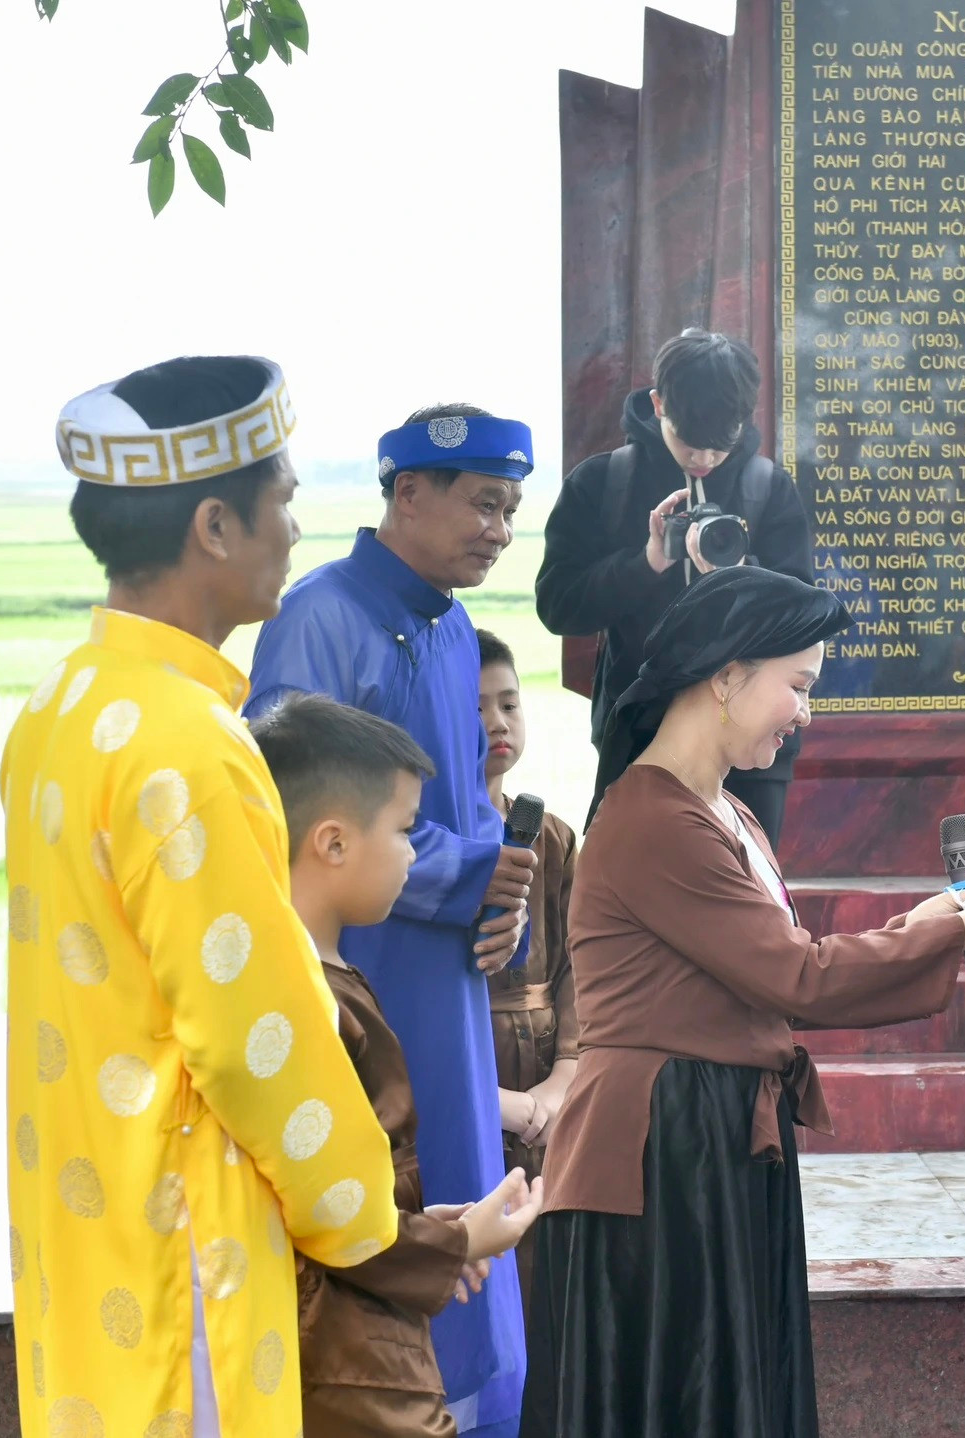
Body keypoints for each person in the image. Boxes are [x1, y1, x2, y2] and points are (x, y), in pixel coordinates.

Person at [520, 566, 965, 1437]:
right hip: (659, 1156)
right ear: (726, 675)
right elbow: (799, 977)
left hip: (709, 1134)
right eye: (800, 686)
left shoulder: (723, 813)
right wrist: (959, 933)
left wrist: (951, 913)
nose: (807, 713)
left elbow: (784, 966)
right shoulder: (651, 818)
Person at [2, 356, 399, 1438]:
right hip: (187, 1254)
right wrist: (366, 1213)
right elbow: (251, 1034)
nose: (296, 531)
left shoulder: (59, 707)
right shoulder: (187, 743)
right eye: (284, 503)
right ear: (216, 526)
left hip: (87, 1231)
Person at [244, 403, 536, 1437]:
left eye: (510, 510)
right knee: (385, 1183)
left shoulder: (457, 629)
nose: (498, 529)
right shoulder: (322, 615)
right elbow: (297, 815)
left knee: (457, 1180)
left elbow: (464, 821)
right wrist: (470, 875)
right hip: (363, 969)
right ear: (406, 493)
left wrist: (507, 913)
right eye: (482, 504)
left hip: (451, 978)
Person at [250, 692, 547, 1438]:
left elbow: (348, 1192)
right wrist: (459, 1243)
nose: (415, 854)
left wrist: (422, 1227)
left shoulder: (316, 980)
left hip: (360, 1338)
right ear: (333, 843)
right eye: (406, 830)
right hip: (345, 1359)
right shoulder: (303, 1002)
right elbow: (325, 1214)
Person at [535, 328, 814, 845]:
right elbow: (558, 606)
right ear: (659, 403)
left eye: (720, 446)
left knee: (747, 899)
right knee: (629, 888)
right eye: (691, 442)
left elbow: (808, 620)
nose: (705, 459)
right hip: (638, 734)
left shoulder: (768, 489)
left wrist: (738, 573)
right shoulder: (602, 484)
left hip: (754, 744)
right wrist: (647, 561)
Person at [476, 628, 581, 1308]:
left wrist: (564, 1076)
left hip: (549, 1085)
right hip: (476, 1079)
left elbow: (580, 969)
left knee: (548, 1286)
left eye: (509, 705)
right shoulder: (422, 845)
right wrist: (501, 1105)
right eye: (476, 708)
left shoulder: (552, 836)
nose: (496, 724)